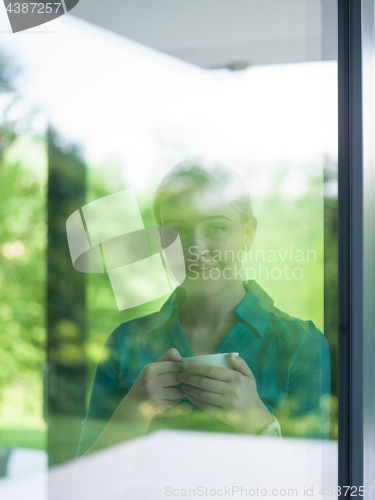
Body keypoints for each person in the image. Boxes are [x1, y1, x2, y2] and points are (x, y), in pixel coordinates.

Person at [77, 157, 331, 459]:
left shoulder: (301, 345)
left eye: (216, 228)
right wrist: (132, 412)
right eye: (179, 231)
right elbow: (84, 484)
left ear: (248, 234)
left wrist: (257, 422)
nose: (196, 247)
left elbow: (315, 485)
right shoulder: (124, 342)